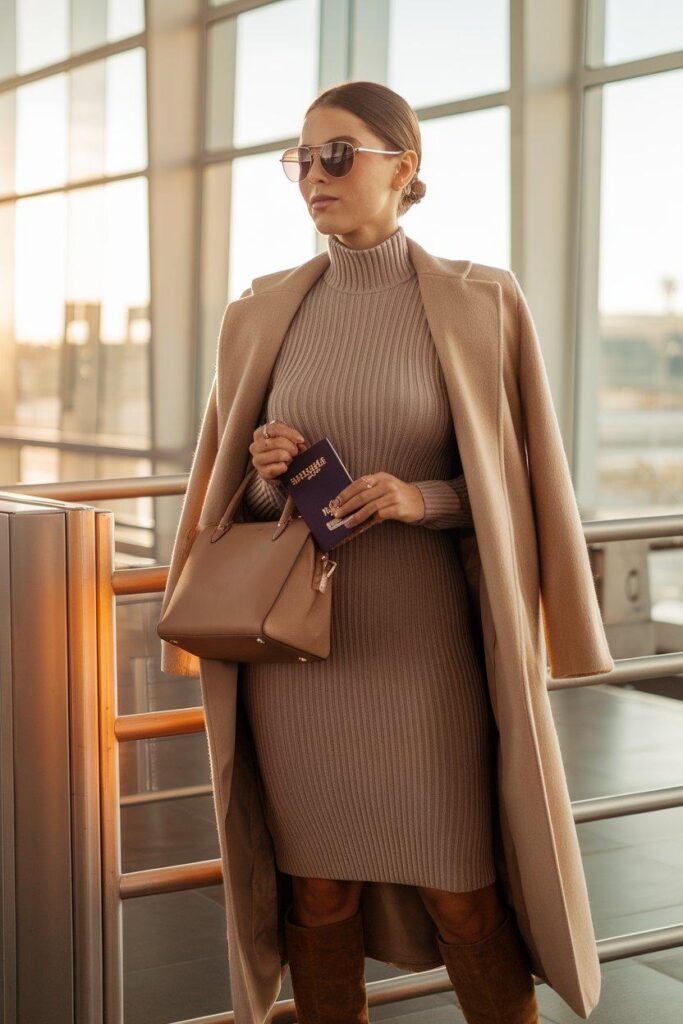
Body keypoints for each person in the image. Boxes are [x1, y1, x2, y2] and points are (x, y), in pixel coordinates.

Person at [238, 81, 540, 1024]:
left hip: (421, 650)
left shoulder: (477, 300)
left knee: (463, 891)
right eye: (301, 158)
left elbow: (515, 482)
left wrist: (423, 497)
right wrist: (263, 471)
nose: (313, 177)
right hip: (301, 659)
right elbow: (237, 506)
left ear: (402, 168)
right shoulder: (263, 311)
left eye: (338, 155)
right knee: (317, 894)